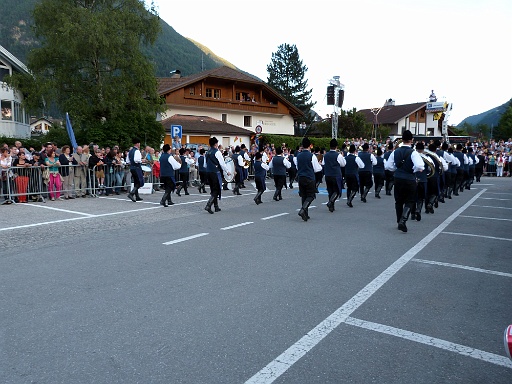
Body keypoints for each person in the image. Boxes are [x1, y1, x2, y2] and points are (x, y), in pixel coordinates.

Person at [385, 130, 424, 232]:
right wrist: (414, 170)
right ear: (412, 140)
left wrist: (397, 169)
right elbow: (420, 166)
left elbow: (389, 166)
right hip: (410, 178)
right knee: (410, 200)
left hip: (398, 178)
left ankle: (399, 221)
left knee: (398, 201)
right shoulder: (414, 153)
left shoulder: (395, 151)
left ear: (402, 139)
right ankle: (403, 219)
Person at [295, 137, 323, 221]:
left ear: (302, 145)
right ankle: (303, 210)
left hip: (301, 177)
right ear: (310, 146)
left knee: (303, 195)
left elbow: (297, 166)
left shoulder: (298, 156)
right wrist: (319, 164)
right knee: (311, 195)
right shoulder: (312, 156)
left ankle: (305, 214)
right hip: (309, 177)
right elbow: (317, 169)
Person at [204, 137, 231, 214]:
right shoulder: (217, 152)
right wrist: (227, 171)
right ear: (216, 144)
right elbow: (222, 164)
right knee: (217, 190)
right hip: (215, 172)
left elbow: (205, 164)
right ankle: (208, 205)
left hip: (208, 172)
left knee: (213, 190)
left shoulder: (207, 152)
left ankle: (216, 207)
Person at [322, 138, 346, 212]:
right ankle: (331, 202)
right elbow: (343, 164)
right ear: (336, 146)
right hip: (336, 174)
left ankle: (331, 206)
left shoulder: (325, 155)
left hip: (328, 175)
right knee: (337, 190)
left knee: (330, 190)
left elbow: (323, 163)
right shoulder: (338, 155)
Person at [127, 138, 145, 202]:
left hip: (132, 167)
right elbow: (136, 160)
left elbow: (128, 161)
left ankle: (137, 196)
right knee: (139, 182)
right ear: (137, 144)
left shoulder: (130, 151)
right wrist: (141, 160)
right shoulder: (137, 151)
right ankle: (131, 193)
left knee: (135, 181)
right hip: (137, 168)